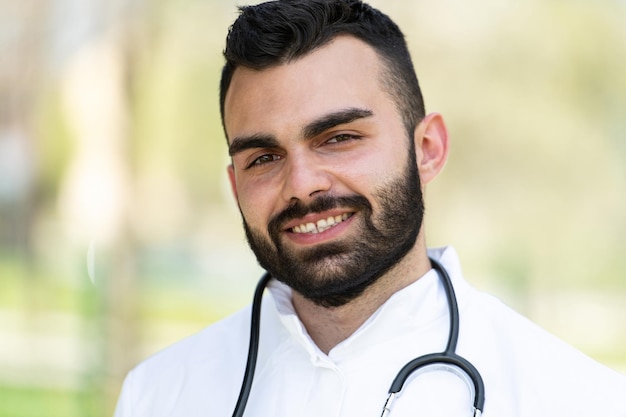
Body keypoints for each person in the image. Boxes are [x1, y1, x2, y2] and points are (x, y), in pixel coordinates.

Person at [114, 1, 626, 416]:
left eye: (339, 137)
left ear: (428, 149)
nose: (302, 185)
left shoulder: (577, 399)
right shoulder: (158, 395)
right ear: (234, 185)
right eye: (264, 157)